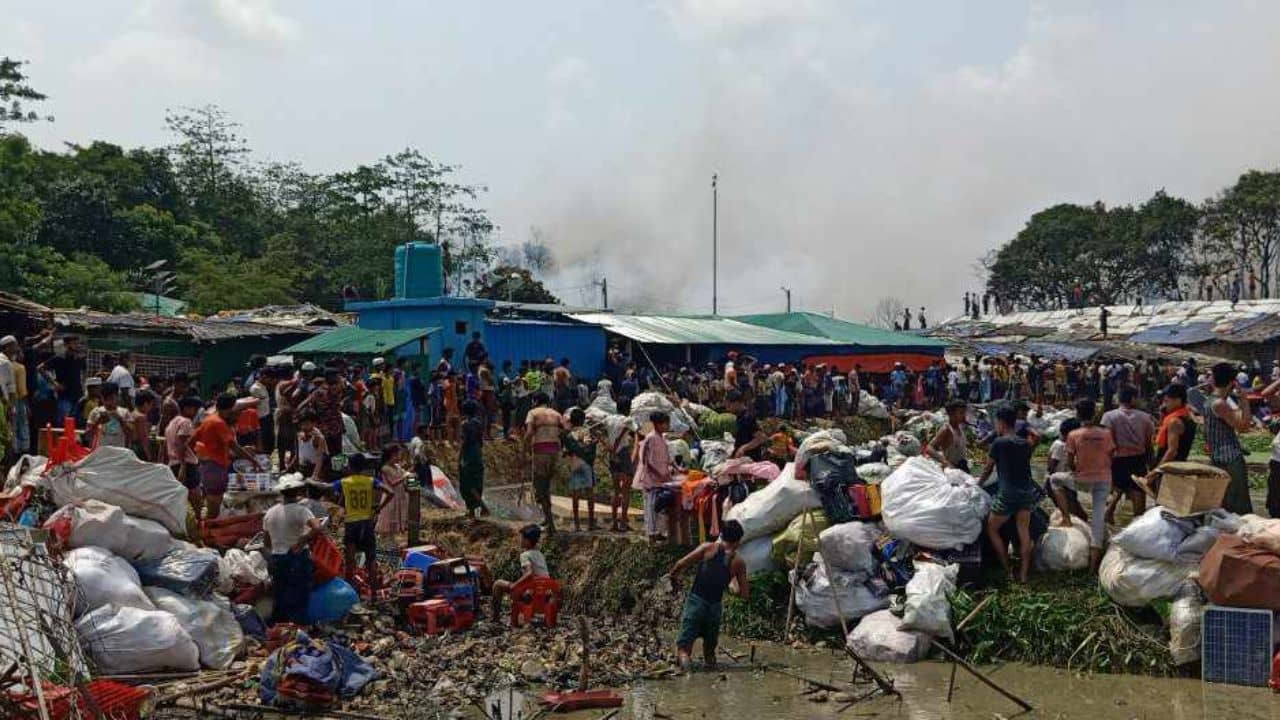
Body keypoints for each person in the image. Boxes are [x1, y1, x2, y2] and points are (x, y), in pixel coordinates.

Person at [667, 519, 750, 670]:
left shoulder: (707, 548)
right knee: (710, 654)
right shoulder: (739, 563)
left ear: (721, 535)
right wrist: (732, 586)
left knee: (684, 650)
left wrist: (672, 578)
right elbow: (744, 594)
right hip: (715, 608)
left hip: (696, 602)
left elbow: (680, 564)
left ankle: (687, 680)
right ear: (738, 542)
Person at [978, 405, 1036, 582]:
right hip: (1026, 492)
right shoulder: (1025, 443)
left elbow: (988, 469)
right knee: (1024, 532)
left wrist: (977, 485)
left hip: (1007, 494)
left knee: (991, 528)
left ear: (1001, 423)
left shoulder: (999, 443)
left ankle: (1007, 569)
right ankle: (1024, 574)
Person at [1058, 399, 1114, 570]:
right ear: (1094, 413)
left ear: (1077, 414)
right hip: (1103, 478)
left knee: (1053, 481)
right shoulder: (1106, 434)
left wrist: (1076, 471)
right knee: (1098, 519)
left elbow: (1069, 461)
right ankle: (1093, 566)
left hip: (1081, 479)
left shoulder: (1073, 435)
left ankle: (1066, 517)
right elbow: (1111, 455)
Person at [263, 475, 324, 624]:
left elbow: (266, 542)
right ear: (297, 492)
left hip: (277, 558)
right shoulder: (301, 511)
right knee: (300, 593)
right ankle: (298, 626)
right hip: (296, 557)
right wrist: (303, 539)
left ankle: (279, 626)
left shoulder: (270, 513)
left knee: (280, 594)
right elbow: (317, 527)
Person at [190, 393, 261, 521]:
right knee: (214, 508)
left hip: (208, 467)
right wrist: (253, 461)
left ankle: (206, 532)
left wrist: (200, 456)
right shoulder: (219, 423)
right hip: (215, 467)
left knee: (212, 504)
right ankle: (208, 535)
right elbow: (234, 446)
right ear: (229, 408)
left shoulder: (209, 419)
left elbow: (191, 440)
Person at [333, 452, 388, 596]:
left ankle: (349, 595)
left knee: (350, 561)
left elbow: (327, 488)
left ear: (350, 466)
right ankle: (374, 596)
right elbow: (390, 492)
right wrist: (379, 508)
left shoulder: (345, 482)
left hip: (352, 525)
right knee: (371, 560)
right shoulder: (370, 480)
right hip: (367, 523)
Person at [1101, 386, 1155, 524]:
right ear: (1133, 398)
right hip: (1138, 459)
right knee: (1138, 492)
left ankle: (1108, 522)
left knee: (1116, 490)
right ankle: (1138, 525)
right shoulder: (1145, 417)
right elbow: (1149, 444)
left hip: (1117, 459)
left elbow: (1107, 442)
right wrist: (1152, 465)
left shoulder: (1109, 416)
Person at [1205, 362, 1254, 514]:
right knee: (1239, 506)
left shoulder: (1210, 400)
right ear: (1232, 382)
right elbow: (1244, 427)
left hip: (1218, 458)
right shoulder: (1220, 404)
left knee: (1223, 505)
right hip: (1230, 460)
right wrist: (1244, 399)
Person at [490, 524, 552, 620]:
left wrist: (515, 585)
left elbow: (529, 573)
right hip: (546, 593)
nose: (520, 541)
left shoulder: (525, 555)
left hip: (533, 594)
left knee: (497, 584)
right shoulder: (540, 554)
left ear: (527, 541)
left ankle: (495, 618)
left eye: (522, 538)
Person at [525, 393, 565, 533]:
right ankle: (548, 519)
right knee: (546, 486)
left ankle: (551, 525)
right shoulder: (556, 414)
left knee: (540, 487)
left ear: (536, 401)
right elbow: (565, 431)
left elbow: (529, 433)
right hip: (555, 452)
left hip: (540, 452)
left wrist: (524, 448)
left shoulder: (532, 413)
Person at [633, 411, 673, 543]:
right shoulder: (650, 438)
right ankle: (651, 535)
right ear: (657, 424)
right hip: (652, 480)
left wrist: (674, 470)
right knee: (651, 508)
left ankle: (659, 532)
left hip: (662, 480)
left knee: (660, 507)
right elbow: (647, 462)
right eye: (665, 423)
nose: (667, 426)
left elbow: (667, 459)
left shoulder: (662, 438)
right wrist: (659, 474)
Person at [562, 407, 599, 532]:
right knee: (589, 494)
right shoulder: (585, 431)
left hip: (574, 464)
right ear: (583, 420)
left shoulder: (568, 435)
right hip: (586, 464)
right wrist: (594, 443)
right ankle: (590, 523)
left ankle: (577, 525)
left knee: (575, 496)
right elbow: (587, 445)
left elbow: (565, 452)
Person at [166, 396, 203, 512]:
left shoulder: (172, 422)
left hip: (173, 462)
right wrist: (183, 466)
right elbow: (181, 444)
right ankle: (200, 522)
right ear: (186, 408)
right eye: (194, 409)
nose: (196, 412)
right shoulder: (185, 422)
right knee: (195, 496)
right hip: (186, 463)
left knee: (181, 497)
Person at [459, 399, 491, 519]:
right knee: (476, 483)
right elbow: (480, 440)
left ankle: (483, 508)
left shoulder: (465, 424)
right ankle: (472, 511)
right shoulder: (479, 423)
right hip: (477, 454)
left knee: (467, 484)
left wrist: (461, 456)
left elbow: (465, 441)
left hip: (468, 455)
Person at [926, 400, 970, 472]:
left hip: (962, 466)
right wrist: (945, 462)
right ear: (951, 414)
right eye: (961, 413)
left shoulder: (959, 427)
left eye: (964, 412)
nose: (964, 415)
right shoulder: (946, 429)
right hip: (952, 470)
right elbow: (929, 448)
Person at [377, 444, 411, 537]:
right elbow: (393, 483)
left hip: (401, 495)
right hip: (391, 497)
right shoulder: (385, 468)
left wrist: (409, 474)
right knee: (390, 520)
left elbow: (405, 475)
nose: (398, 457)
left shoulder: (397, 466)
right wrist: (405, 477)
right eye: (396, 455)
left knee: (400, 518)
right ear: (391, 455)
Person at [608, 424, 636, 533]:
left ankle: (614, 522)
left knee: (615, 490)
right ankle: (623, 523)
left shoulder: (609, 419)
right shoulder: (627, 420)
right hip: (623, 453)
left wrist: (611, 448)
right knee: (626, 491)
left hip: (612, 454)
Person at [87, 381, 132, 449]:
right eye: (105, 399)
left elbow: (131, 434)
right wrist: (98, 422)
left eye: (111, 398)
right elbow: (88, 434)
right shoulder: (95, 412)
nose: (108, 402)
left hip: (118, 451)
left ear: (117, 396)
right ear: (101, 398)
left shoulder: (124, 412)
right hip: (100, 451)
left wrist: (120, 419)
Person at [293, 409, 328, 480]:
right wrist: (288, 470)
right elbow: (296, 456)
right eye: (302, 424)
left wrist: (314, 475)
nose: (303, 427)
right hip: (303, 469)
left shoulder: (318, 438)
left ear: (313, 423)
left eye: (306, 424)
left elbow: (319, 459)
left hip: (316, 470)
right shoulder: (299, 436)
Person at [130, 390, 157, 461]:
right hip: (139, 447)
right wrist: (148, 453)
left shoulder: (132, 414)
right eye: (151, 404)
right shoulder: (141, 417)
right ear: (145, 404)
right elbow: (143, 437)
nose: (151, 408)